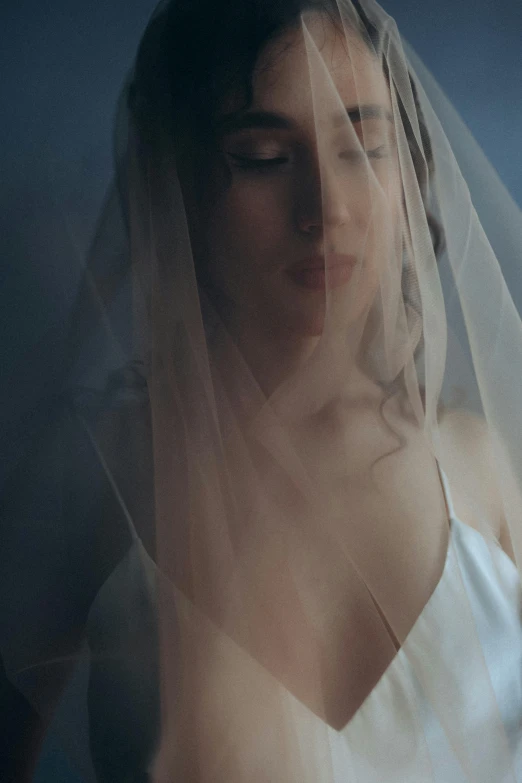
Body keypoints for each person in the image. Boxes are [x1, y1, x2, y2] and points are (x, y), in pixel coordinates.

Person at [3, 0, 522, 780]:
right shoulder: (96, 480)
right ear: (180, 187)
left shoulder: (482, 467)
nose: (328, 209)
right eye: (263, 156)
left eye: (365, 145)